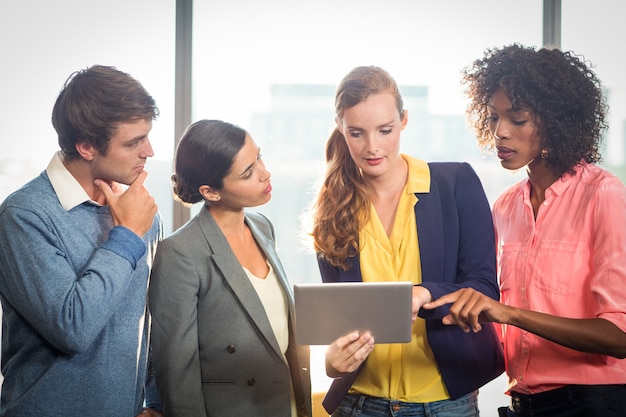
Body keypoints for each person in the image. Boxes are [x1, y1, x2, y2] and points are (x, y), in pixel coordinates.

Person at [424, 43, 626, 417]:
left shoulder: (605, 195)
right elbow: (492, 310)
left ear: (554, 121)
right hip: (522, 405)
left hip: (593, 404)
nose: (500, 132)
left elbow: (619, 336)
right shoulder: (504, 206)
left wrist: (508, 313)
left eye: (517, 119)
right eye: (493, 117)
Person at [309, 65, 504, 417]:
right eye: (356, 133)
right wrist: (334, 358)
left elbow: (485, 288)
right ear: (340, 127)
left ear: (404, 120)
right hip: (359, 405)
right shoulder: (332, 208)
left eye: (385, 130)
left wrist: (426, 292)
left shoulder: (455, 183)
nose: (372, 147)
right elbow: (341, 319)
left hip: (446, 405)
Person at [0, 65, 163, 416]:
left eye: (146, 136)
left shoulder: (141, 212)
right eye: (133, 142)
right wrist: (128, 235)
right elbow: (72, 327)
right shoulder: (24, 216)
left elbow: (150, 318)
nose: (148, 150)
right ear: (87, 146)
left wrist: (157, 400)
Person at [148, 119, 312, 417]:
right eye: (248, 173)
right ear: (210, 192)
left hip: (286, 405)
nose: (265, 174)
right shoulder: (180, 253)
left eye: (259, 157)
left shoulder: (262, 228)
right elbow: (177, 372)